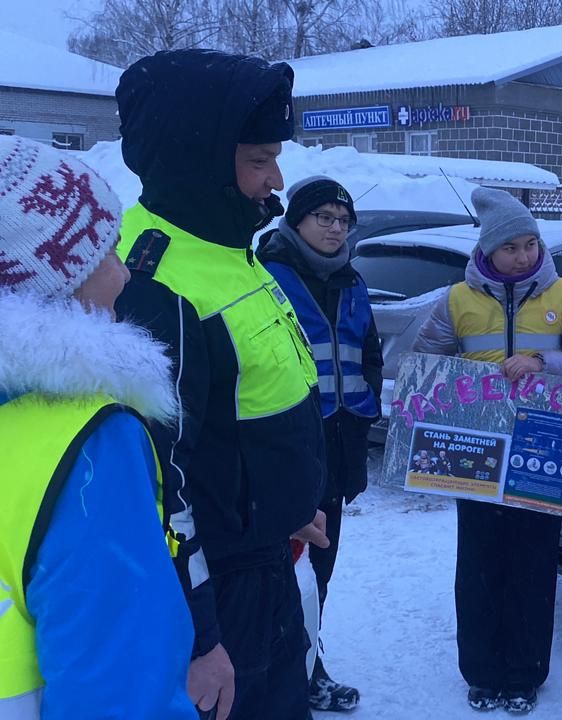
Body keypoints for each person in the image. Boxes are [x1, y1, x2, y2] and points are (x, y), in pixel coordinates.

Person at [113, 49, 328, 720]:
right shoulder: (157, 288)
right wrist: (200, 636)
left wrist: (288, 501)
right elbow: (153, 487)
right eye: (258, 160)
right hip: (220, 595)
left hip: (268, 558)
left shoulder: (230, 247)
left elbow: (254, 405)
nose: (277, 180)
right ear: (198, 160)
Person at [0, 136, 195, 718]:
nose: (122, 276)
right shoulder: (86, 443)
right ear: (46, 281)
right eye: (104, 252)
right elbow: (120, 692)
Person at [412, 186, 562, 714]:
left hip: (542, 452)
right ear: (488, 251)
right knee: (478, 562)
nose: (523, 256)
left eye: (530, 244)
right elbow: (426, 363)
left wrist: (546, 365)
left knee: (532, 565)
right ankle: (480, 671)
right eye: (511, 247)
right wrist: (467, 386)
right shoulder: (457, 300)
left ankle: (524, 674)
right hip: (476, 453)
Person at [258, 175, 381, 712]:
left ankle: (308, 666)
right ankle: (274, 670)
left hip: (338, 445)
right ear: (297, 221)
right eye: (323, 218)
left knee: (317, 571)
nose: (334, 228)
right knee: (277, 567)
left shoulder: (352, 280)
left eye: (342, 220)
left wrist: (365, 416)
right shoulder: (267, 275)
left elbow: (368, 353)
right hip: (286, 448)